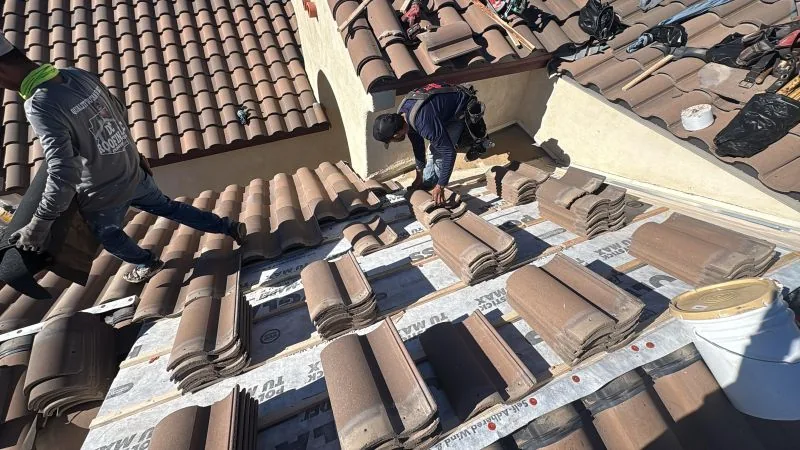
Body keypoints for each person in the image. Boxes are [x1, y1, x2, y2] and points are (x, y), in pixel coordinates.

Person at [0, 36, 247, 283]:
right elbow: (117, 112)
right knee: (170, 208)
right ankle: (228, 226)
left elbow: (64, 170)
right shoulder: (76, 75)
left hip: (103, 193)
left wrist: (39, 224)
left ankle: (147, 263)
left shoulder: (40, 104)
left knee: (108, 235)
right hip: (132, 172)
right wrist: (136, 154)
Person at [372, 83, 492, 205]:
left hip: (460, 109)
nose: (393, 142)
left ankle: (433, 185)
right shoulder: (404, 115)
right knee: (434, 148)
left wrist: (441, 185)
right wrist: (419, 176)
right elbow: (418, 146)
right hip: (442, 109)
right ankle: (428, 182)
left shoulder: (423, 122)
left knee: (438, 151)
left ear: (396, 134)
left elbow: (449, 152)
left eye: (391, 140)